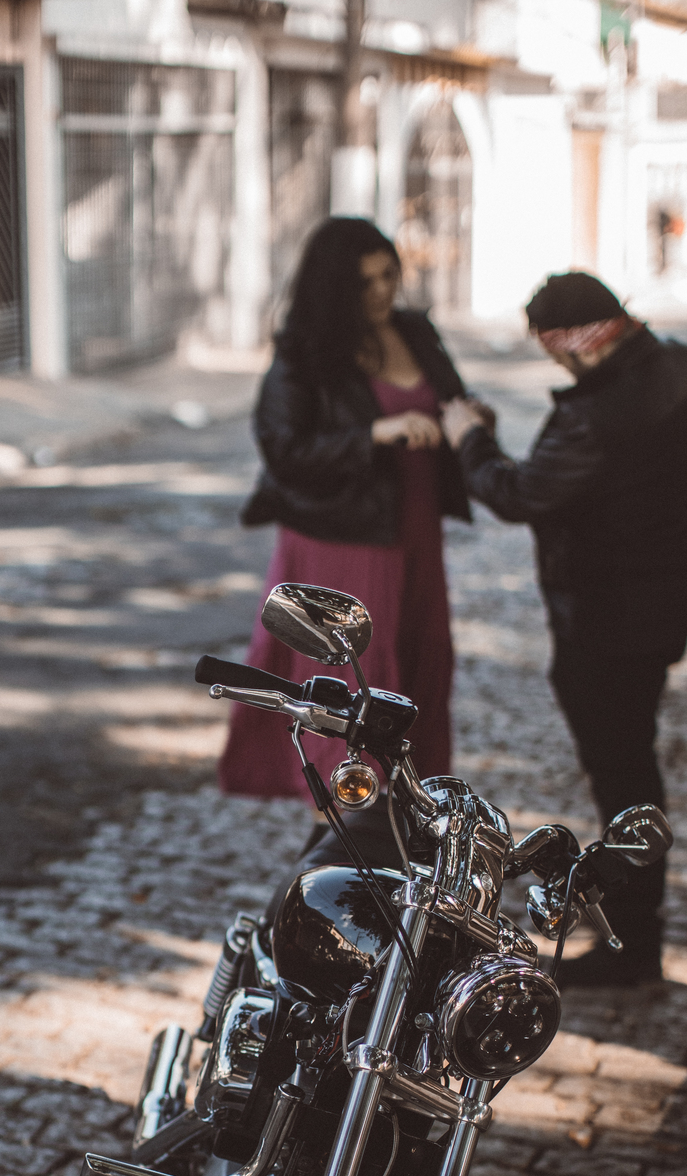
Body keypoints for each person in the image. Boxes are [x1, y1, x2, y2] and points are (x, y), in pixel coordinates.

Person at [443, 271, 687, 987]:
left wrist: (471, 440)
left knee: (623, 776)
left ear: (574, 343)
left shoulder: (596, 415)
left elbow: (523, 492)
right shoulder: (684, 371)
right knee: (635, 762)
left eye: (556, 353)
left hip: (601, 616)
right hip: (664, 599)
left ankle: (636, 940)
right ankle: (637, 927)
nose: (558, 366)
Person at [218, 216, 475, 817]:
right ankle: (347, 826)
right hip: (341, 536)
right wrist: (373, 434)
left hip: (414, 530)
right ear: (336, 288)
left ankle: (412, 811)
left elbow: (449, 400)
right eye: (365, 283)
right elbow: (283, 447)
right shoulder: (306, 352)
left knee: (421, 657)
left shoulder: (415, 331)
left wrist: (468, 422)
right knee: (353, 681)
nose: (383, 291)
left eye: (390, 274)